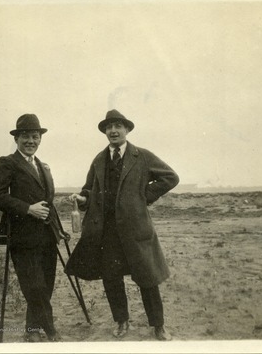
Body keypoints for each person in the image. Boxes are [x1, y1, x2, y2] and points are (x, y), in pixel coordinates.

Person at [65, 109, 179, 341]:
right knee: (111, 277)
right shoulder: (99, 159)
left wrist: (143, 197)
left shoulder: (142, 156)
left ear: (127, 129)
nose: (113, 131)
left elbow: (170, 177)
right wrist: (82, 198)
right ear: (105, 131)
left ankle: (158, 325)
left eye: (118, 126)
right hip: (106, 232)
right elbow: (90, 189)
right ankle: (121, 321)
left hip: (136, 231)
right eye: (109, 127)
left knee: (148, 278)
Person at [0, 113, 65, 342]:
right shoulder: (6, 163)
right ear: (16, 139)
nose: (30, 141)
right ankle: (50, 331)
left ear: (40, 139)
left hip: (47, 236)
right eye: (25, 137)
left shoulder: (43, 166)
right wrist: (27, 208)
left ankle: (31, 331)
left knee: (46, 285)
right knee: (34, 287)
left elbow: (48, 201)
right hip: (21, 236)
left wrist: (58, 229)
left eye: (35, 136)